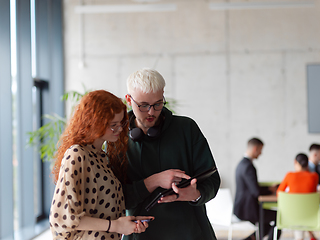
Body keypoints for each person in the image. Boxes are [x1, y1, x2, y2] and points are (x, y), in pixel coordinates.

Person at [122, 68, 221, 240]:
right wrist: (153, 182)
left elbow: (212, 179)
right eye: (143, 105)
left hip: (190, 233)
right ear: (129, 100)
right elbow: (115, 197)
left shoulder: (186, 129)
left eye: (158, 104)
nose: (152, 112)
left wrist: (195, 194)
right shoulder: (118, 139)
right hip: (140, 235)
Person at [49, 90, 153, 240]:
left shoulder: (100, 157)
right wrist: (115, 226)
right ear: (95, 123)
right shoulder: (77, 154)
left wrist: (125, 223)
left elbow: (101, 212)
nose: (119, 129)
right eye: (113, 125)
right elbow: (63, 218)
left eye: (121, 123)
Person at [234, 137, 280, 240]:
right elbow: (256, 192)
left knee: (267, 224)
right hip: (247, 209)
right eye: (260, 150)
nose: (261, 153)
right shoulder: (248, 166)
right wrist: (270, 190)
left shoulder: (242, 164)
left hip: (242, 207)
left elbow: (252, 187)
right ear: (255, 149)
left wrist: (269, 188)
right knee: (280, 217)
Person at [277, 153, 319, 240]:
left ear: (295, 162)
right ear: (307, 163)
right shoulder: (314, 176)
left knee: (297, 213)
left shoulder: (289, 175)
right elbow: (313, 192)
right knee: (304, 213)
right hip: (310, 216)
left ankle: (304, 237)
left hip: (291, 216)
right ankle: (311, 236)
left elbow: (279, 193)